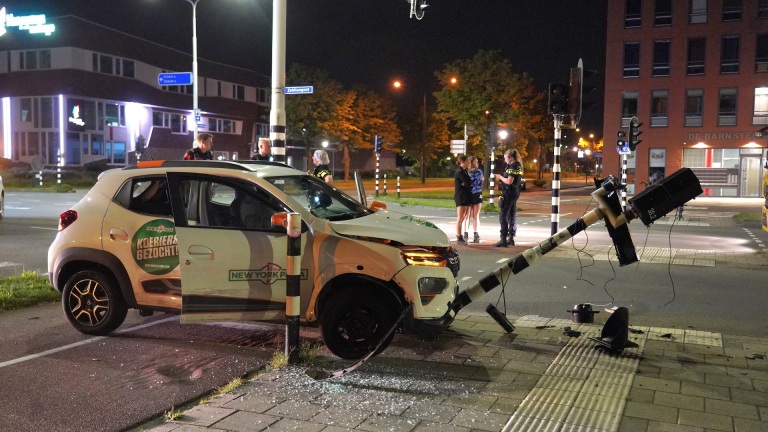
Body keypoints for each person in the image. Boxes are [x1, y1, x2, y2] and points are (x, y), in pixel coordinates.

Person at [493, 149, 523, 247]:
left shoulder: (513, 166)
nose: (505, 160)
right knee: (511, 215)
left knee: (503, 215)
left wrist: (500, 177)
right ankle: (511, 237)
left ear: (510, 158)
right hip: (514, 192)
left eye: (505, 158)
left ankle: (503, 238)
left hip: (509, 193)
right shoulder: (518, 165)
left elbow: (509, 181)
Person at [453, 155, 472, 245]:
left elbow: (468, 183)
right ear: (462, 162)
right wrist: (466, 183)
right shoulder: (460, 172)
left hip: (466, 195)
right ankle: (459, 237)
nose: (469, 163)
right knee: (460, 217)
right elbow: (468, 183)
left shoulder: (465, 171)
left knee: (464, 216)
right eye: (467, 161)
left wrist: (466, 183)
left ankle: (461, 236)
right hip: (461, 196)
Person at [468, 156, 484, 243]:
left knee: (475, 215)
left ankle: (476, 234)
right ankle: (466, 234)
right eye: (476, 161)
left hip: (476, 193)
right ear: (472, 162)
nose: (477, 163)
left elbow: (479, 182)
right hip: (472, 193)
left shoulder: (478, 171)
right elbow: (480, 181)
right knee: (467, 216)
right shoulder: (467, 171)